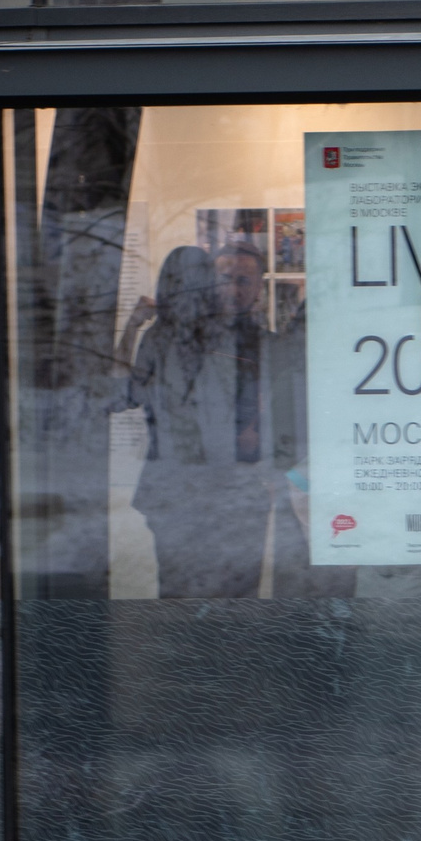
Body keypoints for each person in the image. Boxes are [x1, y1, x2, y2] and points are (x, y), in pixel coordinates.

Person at [124, 241, 272, 599]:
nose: (231, 290)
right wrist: (134, 326)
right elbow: (124, 395)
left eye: (243, 280)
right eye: (224, 279)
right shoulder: (167, 339)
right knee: (180, 594)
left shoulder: (259, 342)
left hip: (234, 487)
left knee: (235, 598)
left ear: (259, 287)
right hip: (180, 487)